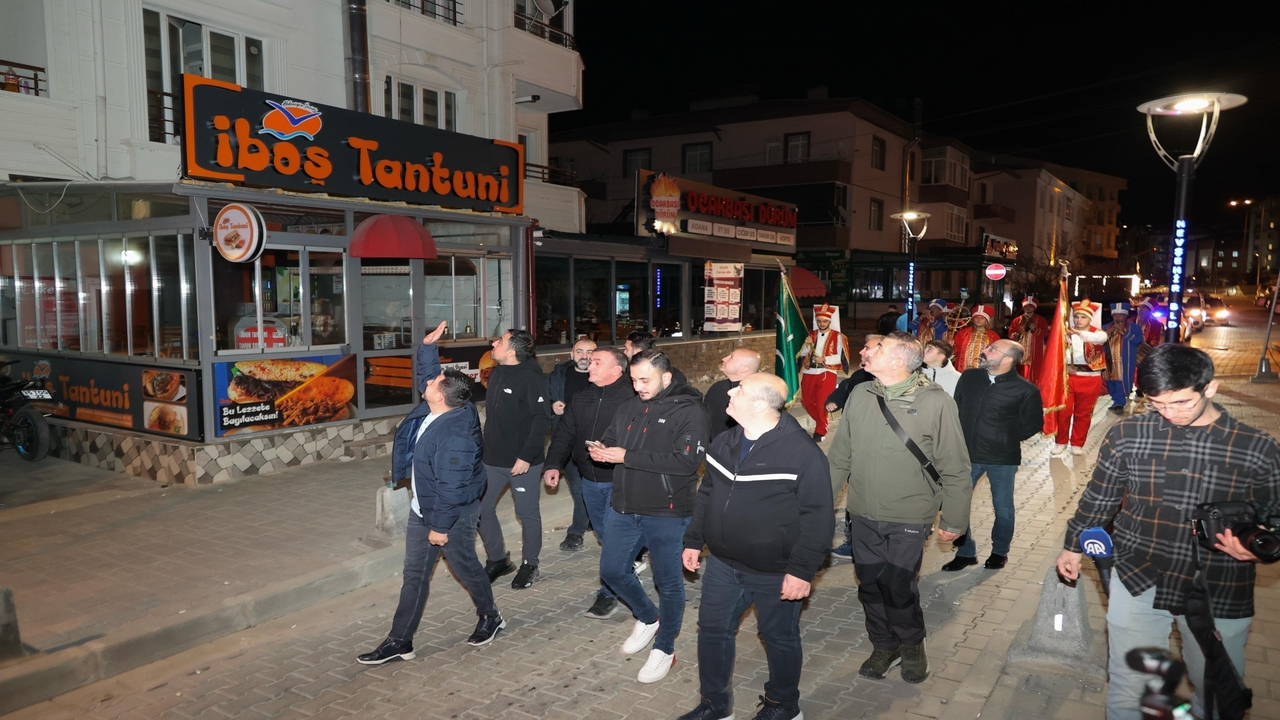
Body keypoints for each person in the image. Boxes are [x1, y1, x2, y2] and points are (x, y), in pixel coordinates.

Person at [1056, 344, 1280, 720]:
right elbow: (1100, 496)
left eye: (1180, 403)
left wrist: (1262, 548)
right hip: (1139, 576)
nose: (1168, 413)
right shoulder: (1129, 432)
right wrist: (1072, 545)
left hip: (1218, 588)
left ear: (1210, 388)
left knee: (1216, 691)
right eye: (1156, 403)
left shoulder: (1256, 449)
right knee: (1131, 685)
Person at [678, 373, 834, 720]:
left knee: (778, 637)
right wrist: (694, 540)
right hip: (722, 564)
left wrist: (801, 570)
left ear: (761, 404)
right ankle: (715, 705)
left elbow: (819, 518)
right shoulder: (724, 441)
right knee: (713, 631)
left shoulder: (802, 453)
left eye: (741, 389)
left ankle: (783, 705)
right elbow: (707, 494)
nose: (730, 391)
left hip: (775, 571)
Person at [357, 322, 505, 665]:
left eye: (432, 382)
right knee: (414, 575)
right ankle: (400, 640)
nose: (427, 382)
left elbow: (451, 488)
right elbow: (433, 377)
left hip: (449, 515)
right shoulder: (451, 405)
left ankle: (491, 615)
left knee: (466, 567)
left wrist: (438, 527)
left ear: (440, 395)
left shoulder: (455, 435)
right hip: (424, 509)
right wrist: (426, 348)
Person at [828, 331, 972, 684]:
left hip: (910, 514)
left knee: (897, 584)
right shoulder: (861, 393)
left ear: (897, 360)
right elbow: (839, 456)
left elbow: (955, 466)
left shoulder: (936, 402)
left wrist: (955, 518)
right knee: (869, 585)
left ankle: (911, 645)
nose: (866, 350)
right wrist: (821, 506)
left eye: (876, 347)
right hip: (861, 513)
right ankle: (883, 645)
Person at [589, 349, 708, 683]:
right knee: (611, 570)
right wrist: (600, 449)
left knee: (668, 582)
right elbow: (612, 440)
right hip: (625, 505)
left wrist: (627, 455)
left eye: (645, 380)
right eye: (633, 380)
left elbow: (686, 463)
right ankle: (647, 616)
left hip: (667, 511)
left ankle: (665, 647)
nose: (638, 386)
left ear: (666, 377)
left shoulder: (690, 411)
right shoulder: (628, 405)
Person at [543, 347, 639, 621]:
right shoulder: (582, 397)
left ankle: (610, 591)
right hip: (589, 480)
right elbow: (565, 434)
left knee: (614, 538)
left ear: (617, 370)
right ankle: (626, 572)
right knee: (604, 535)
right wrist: (553, 464)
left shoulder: (632, 399)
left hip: (622, 480)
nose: (590, 365)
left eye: (598, 362)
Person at [944, 339, 1043, 572]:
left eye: (991, 349)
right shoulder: (969, 377)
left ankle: (1000, 552)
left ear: (1007, 359)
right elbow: (956, 407)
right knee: (957, 504)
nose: (984, 350)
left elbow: (1032, 424)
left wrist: (1004, 437)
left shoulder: (1026, 389)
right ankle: (965, 552)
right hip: (966, 453)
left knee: (1004, 508)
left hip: (1002, 458)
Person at [477, 329, 553, 588]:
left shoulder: (531, 378)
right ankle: (498, 560)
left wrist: (526, 456)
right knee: (480, 509)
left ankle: (530, 564)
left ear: (511, 352)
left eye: (500, 341)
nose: (494, 342)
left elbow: (541, 418)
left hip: (523, 463)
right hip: (492, 459)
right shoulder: (497, 372)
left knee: (527, 513)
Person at [825, 334, 880, 561]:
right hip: (853, 442)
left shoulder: (901, 380)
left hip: (880, 451)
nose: (861, 352)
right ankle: (853, 541)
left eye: (866, 347)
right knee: (854, 494)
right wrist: (835, 399)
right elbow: (845, 387)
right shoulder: (860, 375)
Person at [547, 338, 597, 552]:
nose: (584, 356)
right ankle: (587, 520)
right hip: (565, 441)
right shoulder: (559, 375)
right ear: (572, 354)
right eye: (579, 351)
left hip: (591, 443)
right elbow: (544, 399)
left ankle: (576, 531)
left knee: (583, 489)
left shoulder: (602, 377)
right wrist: (552, 407)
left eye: (589, 352)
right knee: (578, 488)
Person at [1053, 299, 1108, 457]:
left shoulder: (1098, 333)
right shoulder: (1064, 333)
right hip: (1068, 378)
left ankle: (1077, 443)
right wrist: (1065, 366)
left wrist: (1077, 333)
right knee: (1063, 412)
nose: (1079, 320)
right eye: (1076, 316)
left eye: (1083, 317)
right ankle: (1060, 442)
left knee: (1083, 413)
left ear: (1090, 319)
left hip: (1091, 379)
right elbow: (1056, 354)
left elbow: (1098, 339)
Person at [797, 303, 852, 442]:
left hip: (827, 372)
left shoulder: (839, 336)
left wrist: (824, 358)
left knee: (822, 402)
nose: (822, 323)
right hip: (810, 372)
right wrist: (806, 345)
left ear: (830, 321)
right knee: (808, 402)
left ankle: (821, 430)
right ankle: (823, 421)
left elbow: (842, 356)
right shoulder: (810, 335)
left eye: (825, 321)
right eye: (819, 321)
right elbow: (802, 354)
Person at [703, 347, 762, 441]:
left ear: (744, 368)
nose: (724, 359)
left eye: (731, 357)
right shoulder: (717, 387)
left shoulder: (759, 395)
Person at [1102, 302, 1145, 415]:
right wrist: (1106, 334)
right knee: (1110, 382)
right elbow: (1098, 342)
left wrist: (1124, 333)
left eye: (1120, 315)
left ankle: (1119, 402)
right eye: (1115, 315)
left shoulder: (1133, 327)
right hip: (1109, 361)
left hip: (1125, 361)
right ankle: (1116, 400)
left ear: (1126, 316)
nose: (1117, 317)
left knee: (1121, 381)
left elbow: (1138, 340)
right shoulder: (1106, 327)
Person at [625, 330, 690, 388]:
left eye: (626, 349)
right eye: (634, 380)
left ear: (637, 351)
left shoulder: (676, 378)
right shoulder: (628, 372)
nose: (637, 388)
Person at [1007, 297, 1049, 382]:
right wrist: (1014, 335)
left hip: (1034, 350)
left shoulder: (1040, 320)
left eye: (1030, 306)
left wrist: (1036, 329)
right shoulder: (1017, 320)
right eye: (1026, 306)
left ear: (1034, 307)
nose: (1028, 308)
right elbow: (1011, 332)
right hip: (1020, 348)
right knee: (1019, 367)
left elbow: (1045, 333)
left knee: (1034, 368)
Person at [951, 305, 1000, 372]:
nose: (978, 320)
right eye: (976, 317)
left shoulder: (993, 336)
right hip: (964, 371)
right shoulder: (963, 333)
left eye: (982, 318)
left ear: (986, 321)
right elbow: (955, 350)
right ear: (973, 320)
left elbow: (997, 354)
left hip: (984, 372)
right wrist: (950, 345)